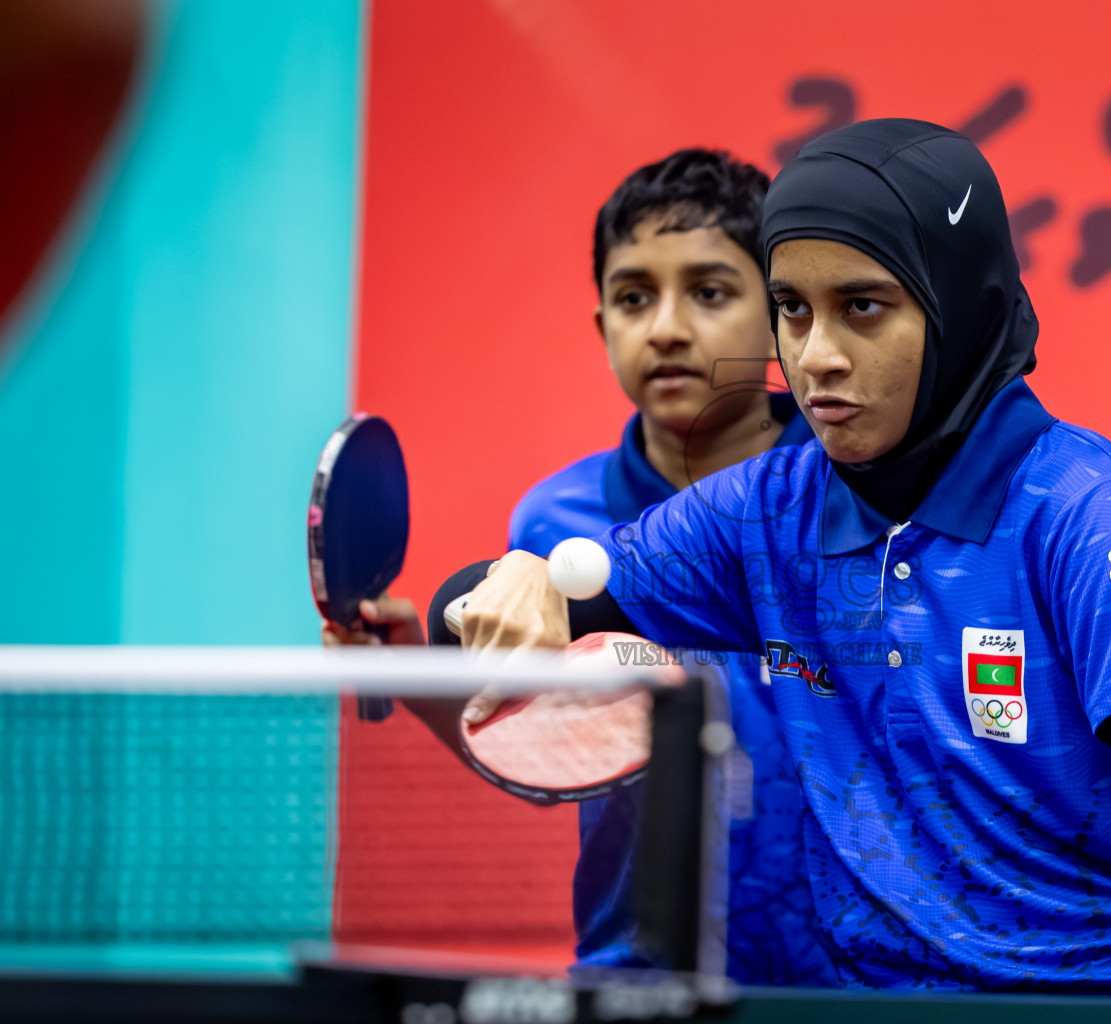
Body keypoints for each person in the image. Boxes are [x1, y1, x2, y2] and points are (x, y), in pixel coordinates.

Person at [453, 119, 1111, 999]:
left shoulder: (1080, 507)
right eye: (792, 309)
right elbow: (505, 607)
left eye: (863, 307)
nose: (816, 357)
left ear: (958, 308)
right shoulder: (767, 510)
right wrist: (517, 578)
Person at [327, 149, 835, 986]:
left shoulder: (848, 489)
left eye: (709, 292)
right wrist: (419, 684)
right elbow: (560, 753)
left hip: (843, 974)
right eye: (635, 297)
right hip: (634, 968)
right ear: (603, 328)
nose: (666, 327)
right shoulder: (553, 521)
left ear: (781, 318)